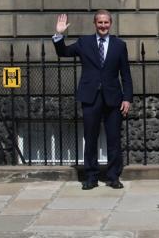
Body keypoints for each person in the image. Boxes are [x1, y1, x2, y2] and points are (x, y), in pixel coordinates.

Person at [52, 10, 133, 190]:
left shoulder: (120, 45)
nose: (103, 26)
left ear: (110, 23)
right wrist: (59, 34)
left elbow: (125, 74)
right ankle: (91, 177)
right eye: (100, 23)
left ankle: (113, 177)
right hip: (90, 97)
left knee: (114, 139)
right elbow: (63, 52)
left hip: (113, 98)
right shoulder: (84, 42)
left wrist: (127, 98)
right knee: (90, 138)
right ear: (94, 24)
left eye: (106, 22)